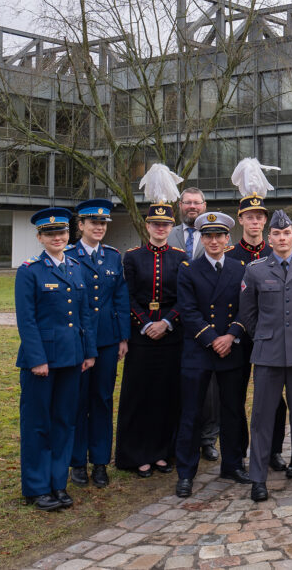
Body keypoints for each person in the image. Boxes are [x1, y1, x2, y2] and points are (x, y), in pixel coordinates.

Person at [15, 207, 96, 511]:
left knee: (65, 422)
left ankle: (57, 483)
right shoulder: (29, 271)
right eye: (50, 234)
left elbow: (85, 314)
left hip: (72, 359)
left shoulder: (75, 268)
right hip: (42, 362)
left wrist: (89, 352)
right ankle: (36, 488)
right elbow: (27, 320)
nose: (57, 238)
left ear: (69, 234)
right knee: (38, 424)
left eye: (62, 233)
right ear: (40, 237)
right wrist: (37, 359)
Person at [241, 210, 292, 502]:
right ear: (269, 238)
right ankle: (258, 478)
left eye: (286, 233)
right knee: (262, 418)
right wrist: (266, 335)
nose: (281, 238)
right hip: (267, 353)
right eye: (276, 234)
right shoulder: (255, 270)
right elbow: (248, 315)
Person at [174, 211, 251, 498]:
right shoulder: (189, 270)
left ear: (227, 238)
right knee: (192, 413)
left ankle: (232, 463)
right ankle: (186, 473)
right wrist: (212, 338)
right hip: (199, 350)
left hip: (231, 348)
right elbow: (188, 310)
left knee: (232, 410)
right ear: (202, 239)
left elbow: (247, 306)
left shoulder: (240, 268)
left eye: (219, 235)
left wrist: (231, 335)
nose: (214, 240)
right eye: (208, 236)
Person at [116, 202, 187, 479]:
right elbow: (128, 296)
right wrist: (146, 324)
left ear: (171, 227)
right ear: (147, 226)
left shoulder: (181, 257)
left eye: (165, 224)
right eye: (155, 223)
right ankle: (137, 454)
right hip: (141, 337)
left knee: (166, 396)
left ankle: (160, 452)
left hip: (171, 336)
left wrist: (167, 322)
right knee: (139, 396)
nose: (160, 228)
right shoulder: (132, 257)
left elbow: (185, 297)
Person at [68, 199, 129, 489]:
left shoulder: (114, 257)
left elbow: (120, 299)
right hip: (78, 340)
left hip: (106, 340)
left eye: (103, 223)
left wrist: (123, 337)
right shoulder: (68, 256)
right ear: (80, 226)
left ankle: (101, 461)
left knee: (103, 400)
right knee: (78, 401)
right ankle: (78, 461)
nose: (99, 227)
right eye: (93, 223)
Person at [230, 188, 287, 472]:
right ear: (240, 219)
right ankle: (239, 450)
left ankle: (274, 449)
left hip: (272, 337)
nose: (255, 222)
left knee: (275, 397)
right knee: (236, 395)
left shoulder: (275, 252)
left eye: (259, 217)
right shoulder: (230, 255)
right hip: (239, 336)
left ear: (265, 222)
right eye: (249, 217)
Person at [167, 187, 219, 462]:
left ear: (204, 205)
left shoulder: (216, 235)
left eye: (197, 203)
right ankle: (179, 436)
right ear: (180, 205)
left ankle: (208, 438)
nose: (192, 207)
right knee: (179, 383)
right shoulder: (170, 233)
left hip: (206, 321)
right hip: (174, 320)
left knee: (210, 387)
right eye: (187, 202)